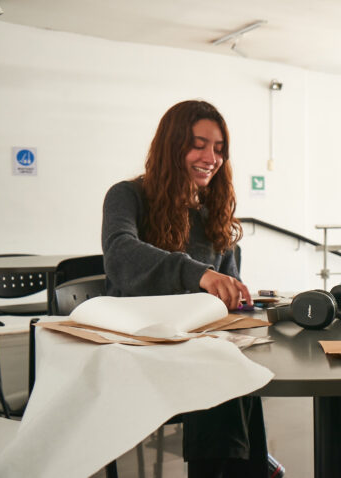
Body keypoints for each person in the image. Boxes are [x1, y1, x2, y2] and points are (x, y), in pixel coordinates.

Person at [102, 100, 276, 477]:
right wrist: (198, 273)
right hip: (136, 349)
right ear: (172, 145)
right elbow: (119, 254)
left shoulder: (211, 214)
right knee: (217, 367)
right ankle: (255, 468)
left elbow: (227, 306)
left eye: (218, 148)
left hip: (192, 348)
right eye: (198, 144)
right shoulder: (127, 196)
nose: (210, 157)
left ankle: (252, 468)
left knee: (228, 363)